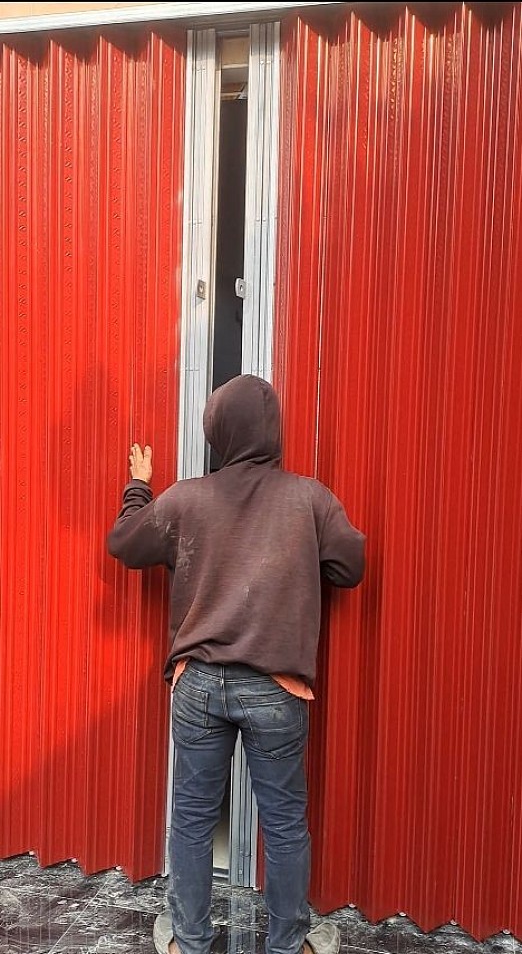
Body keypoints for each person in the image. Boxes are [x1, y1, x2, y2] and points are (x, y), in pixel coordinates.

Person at [107, 373, 366, 954]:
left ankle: (189, 943)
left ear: (217, 432)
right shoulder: (310, 499)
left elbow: (125, 544)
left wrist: (139, 487)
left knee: (192, 820)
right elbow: (350, 568)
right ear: (273, 432)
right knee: (285, 824)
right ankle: (288, 945)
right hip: (276, 689)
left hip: (198, 684)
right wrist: (301, 559)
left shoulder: (187, 498)